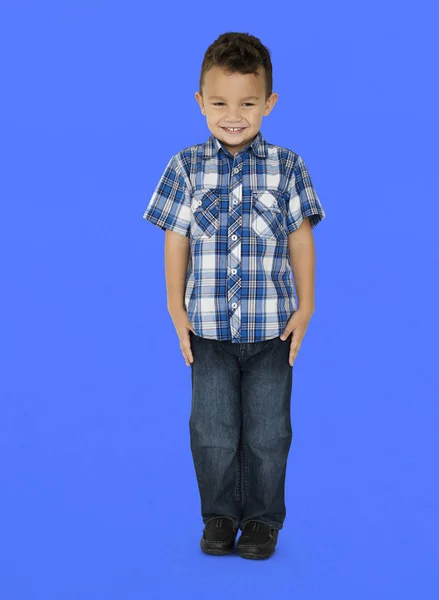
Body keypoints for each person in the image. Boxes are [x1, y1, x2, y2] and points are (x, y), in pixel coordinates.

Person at [142, 32, 326, 560]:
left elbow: (300, 237)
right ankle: (220, 516)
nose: (234, 115)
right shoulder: (185, 167)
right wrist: (176, 308)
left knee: (269, 435)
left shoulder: (287, 166)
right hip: (208, 332)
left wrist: (306, 306)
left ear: (268, 103)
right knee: (213, 432)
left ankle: (264, 521)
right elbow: (175, 239)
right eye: (219, 102)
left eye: (248, 103)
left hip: (273, 330)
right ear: (200, 102)